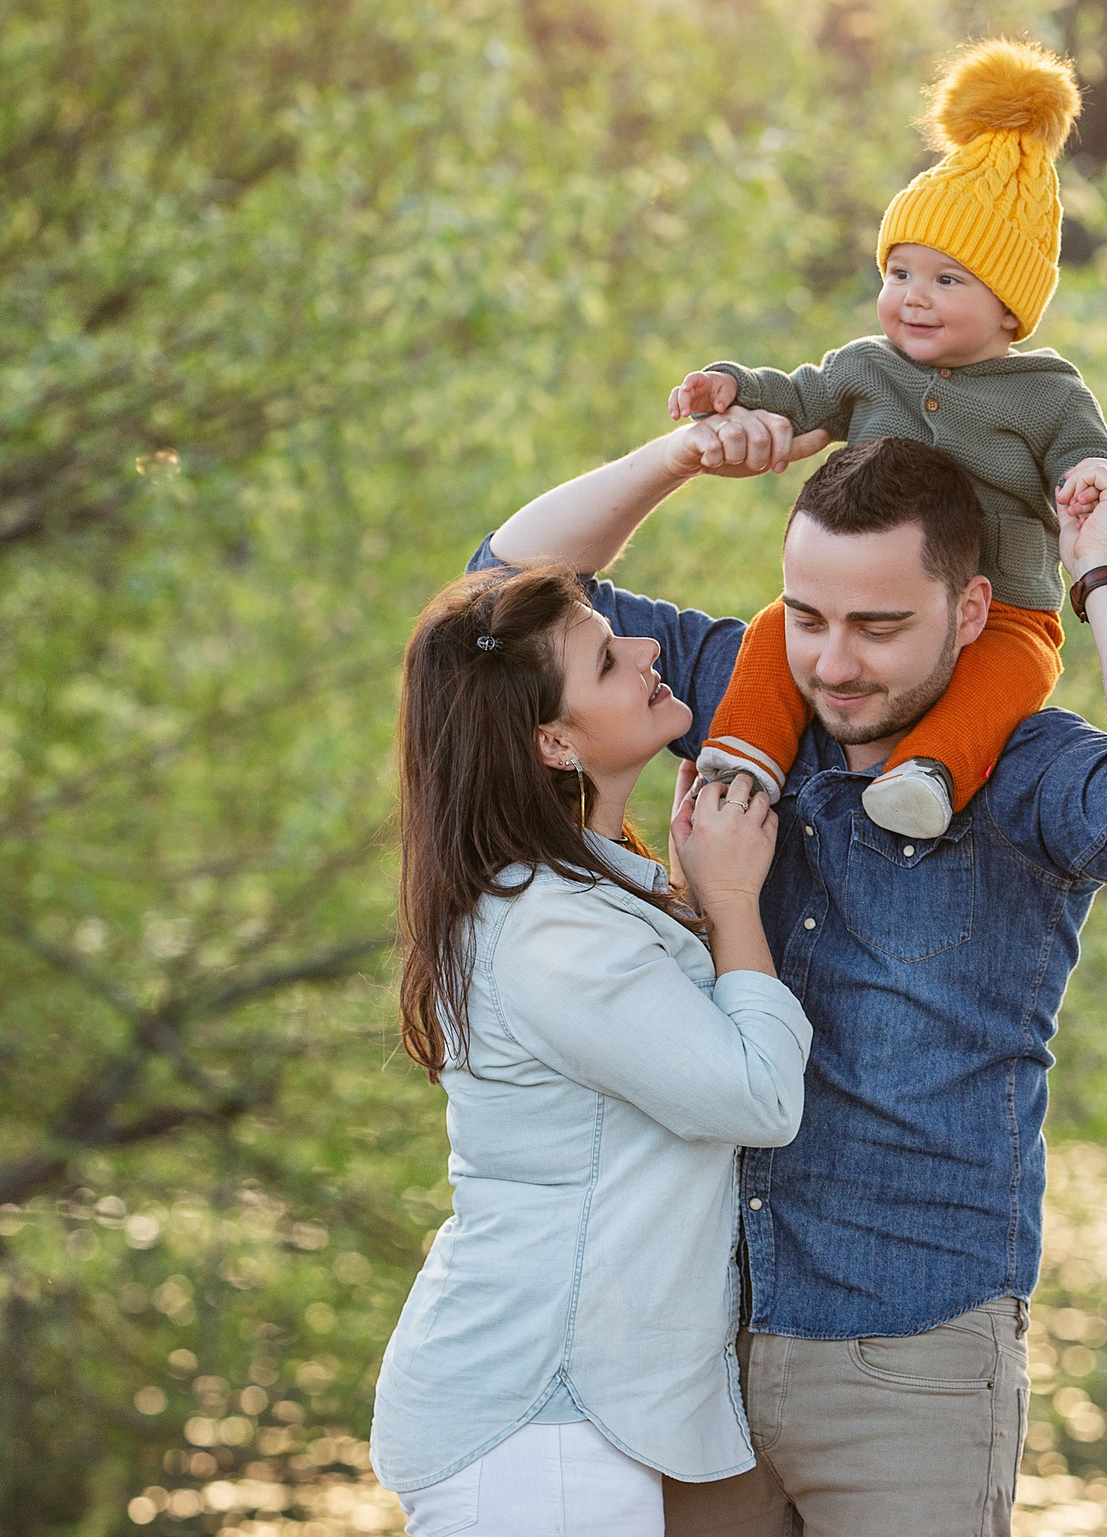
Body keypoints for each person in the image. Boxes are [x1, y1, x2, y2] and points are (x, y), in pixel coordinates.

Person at [479, 408, 1107, 1537]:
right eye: (810, 617)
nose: (833, 664)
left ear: (971, 610)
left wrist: (1103, 574)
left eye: (879, 626)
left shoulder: (1028, 772)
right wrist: (680, 455)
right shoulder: (741, 693)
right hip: (696, 1356)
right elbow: (503, 597)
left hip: (914, 1356)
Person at [368, 565, 814, 1537]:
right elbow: (758, 1097)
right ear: (554, 742)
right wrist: (734, 902)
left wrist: (697, 901)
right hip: (536, 1416)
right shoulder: (552, 933)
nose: (648, 650)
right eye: (609, 659)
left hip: (555, 1414)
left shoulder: (580, 900)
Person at [668, 37, 1107, 842]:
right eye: (899, 273)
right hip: (865, 591)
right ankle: (740, 755)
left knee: (1007, 678)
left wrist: (1088, 481)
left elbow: (1086, 457)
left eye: (948, 281)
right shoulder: (867, 368)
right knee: (778, 631)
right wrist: (733, 387)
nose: (913, 298)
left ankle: (928, 774)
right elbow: (800, 397)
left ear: (1010, 309)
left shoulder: (1045, 391)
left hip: (1006, 603)